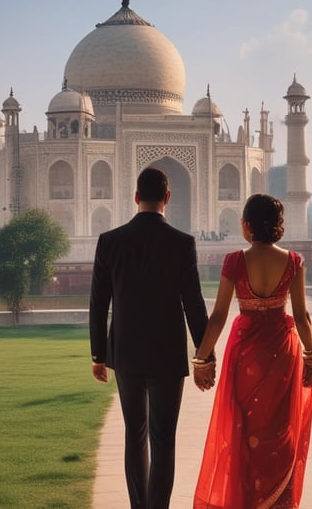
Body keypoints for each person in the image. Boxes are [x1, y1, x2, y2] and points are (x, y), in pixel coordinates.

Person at [89, 167, 210, 509]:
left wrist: (99, 354)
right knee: (163, 440)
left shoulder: (110, 241)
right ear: (167, 198)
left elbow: (99, 303)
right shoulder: (181, 243)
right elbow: (193, 304)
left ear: (136, 197)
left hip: (125, 353)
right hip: (167, 354)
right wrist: (204, 354)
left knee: (135, 435)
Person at [192, 194, 312, 509]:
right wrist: (311, 354)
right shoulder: (293, 261)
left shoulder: (235, 261)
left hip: (246, 352)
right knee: (280, 432)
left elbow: (219, 316)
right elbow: (302, 317)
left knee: (244, 431)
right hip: (281, 352)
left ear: (246, 226)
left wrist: (201, 359)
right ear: (278, 226)